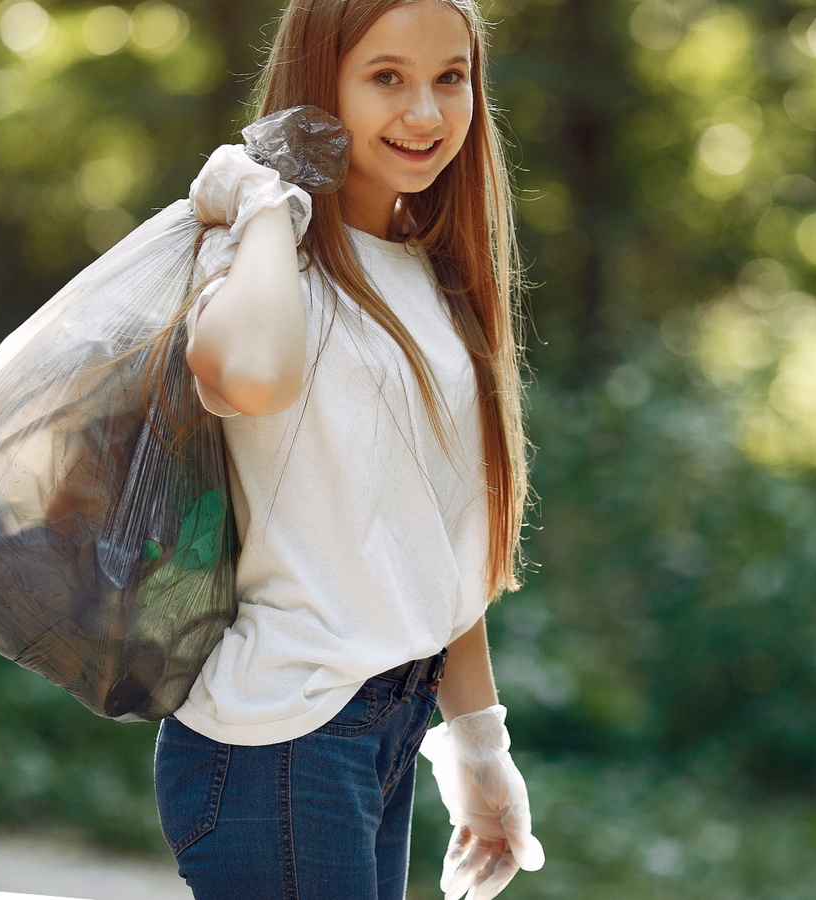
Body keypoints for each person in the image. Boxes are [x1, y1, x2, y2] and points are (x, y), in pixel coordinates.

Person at [150, 0, 543, 897]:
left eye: (451, 78)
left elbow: (433, 532)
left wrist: (480, 748)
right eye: (386, 78)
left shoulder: (428, 267)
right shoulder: (249, 257)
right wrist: (261, 202)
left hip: (384, 724)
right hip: (279, 742)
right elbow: (248, 375)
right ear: (319, 81)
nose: (427, 114)